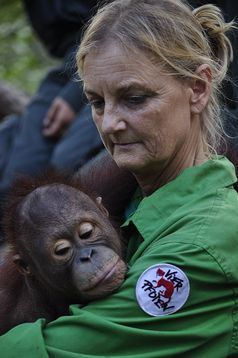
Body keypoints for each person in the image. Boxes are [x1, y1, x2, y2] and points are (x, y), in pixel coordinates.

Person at [0, 0, 238, 356]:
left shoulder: (201, 247)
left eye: (135, 98)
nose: (110, 123)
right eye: (96, 102)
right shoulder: (133, 200)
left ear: (198, 89)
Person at [0, 0, 103, 200]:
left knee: (67, 162)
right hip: (68, 62)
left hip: (116, 49)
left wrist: (73, 96)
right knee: (19, 178)